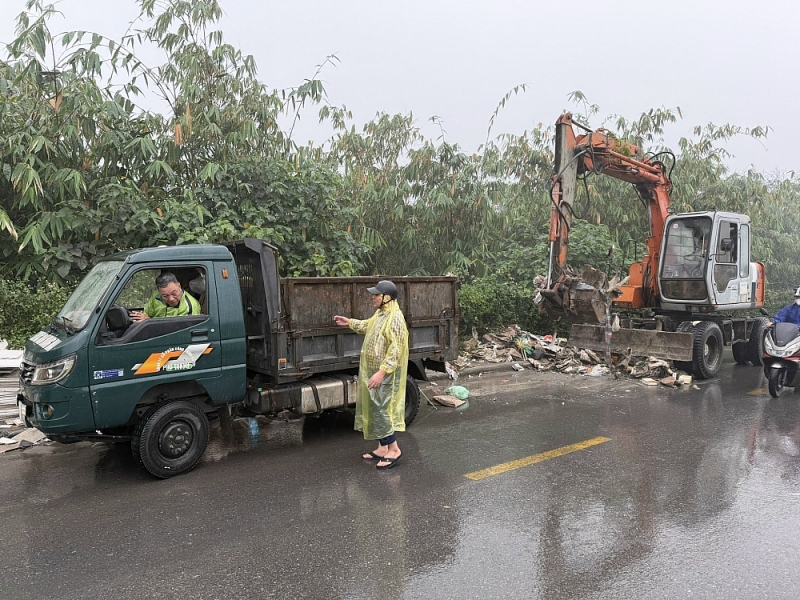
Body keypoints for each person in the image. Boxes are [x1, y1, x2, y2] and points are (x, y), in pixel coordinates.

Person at [334, 280, 409, 470]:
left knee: (382, 410)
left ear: (387, 297)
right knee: (374, 409)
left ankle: (393, 449)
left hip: (385, 373)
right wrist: (349, 322)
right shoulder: (381, 314)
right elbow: (368, 326)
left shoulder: (396, 319)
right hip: (374, 371)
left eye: (376, 295)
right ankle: (382, 447)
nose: (373, 297)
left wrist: (381, 372)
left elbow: (396, 350)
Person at [130, 272, 202, 321]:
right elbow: (146, 315)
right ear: (159, 292)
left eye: (174, 293)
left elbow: (178, 331)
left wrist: (149, 321)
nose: (171, 299)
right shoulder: (156, 296)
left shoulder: (191, 305)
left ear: (179, 286)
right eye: (165, 296)